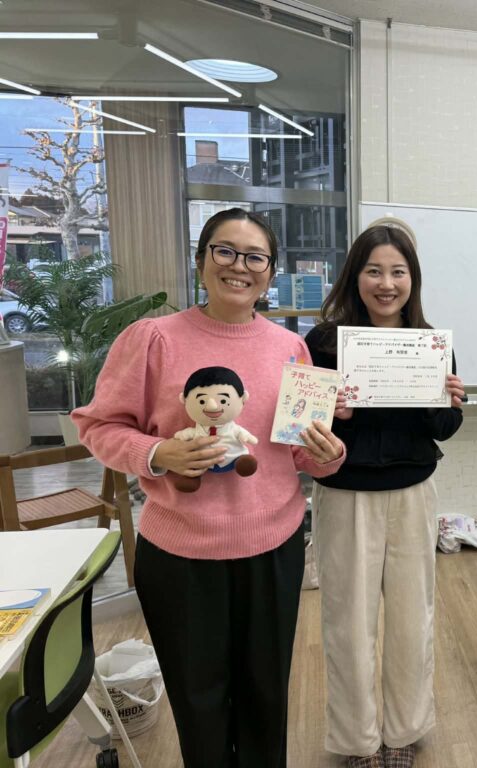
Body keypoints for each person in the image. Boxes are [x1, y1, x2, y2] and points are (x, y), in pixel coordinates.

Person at [73, 208, 346, 768]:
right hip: (181, 555)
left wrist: (328, 454)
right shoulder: (153, 338)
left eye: (255, 257)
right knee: (198, 700)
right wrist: (157, 453)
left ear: (270, 272)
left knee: (266, 696)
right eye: (225, 251)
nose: (239, 266)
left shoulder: (290, 349)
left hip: (274, 549)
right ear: (201, 261)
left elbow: (297, 453)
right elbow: (97, 425)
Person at [305, 221, 465, 768]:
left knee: (412, 619)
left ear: (412, 280)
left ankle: (404, 731)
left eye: (398, 272)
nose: (386, 283)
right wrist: (333, 411)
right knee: (348, 623)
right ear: (356, 276)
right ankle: (356, 740)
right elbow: (301, 425)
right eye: (374, 271)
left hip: (413, 492)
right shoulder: (324, 342)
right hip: (344, 493)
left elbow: (443, 429)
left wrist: (444, 401)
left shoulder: (431, 343)